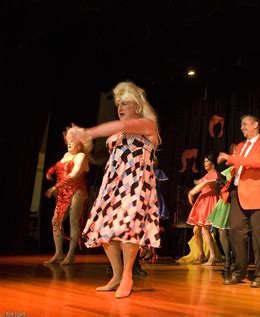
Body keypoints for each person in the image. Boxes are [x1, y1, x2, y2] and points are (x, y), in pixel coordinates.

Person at [67, 81, 162, 299]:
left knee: (130, 227)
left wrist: (87, 132)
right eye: (119, 103)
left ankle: (128, 275)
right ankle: (117, 275)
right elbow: (109, 150)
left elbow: (119, 127)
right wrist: (84, 144)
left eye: (126, 103)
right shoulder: (115, 136)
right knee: (105, 229)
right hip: (113, 184)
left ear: (137, 106)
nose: (120, 107)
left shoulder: (147, 124)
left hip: (136, 183)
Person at [218, 114, 260, 288]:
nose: (242, 128)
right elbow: (239, 166)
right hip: (238, 194)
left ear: (255, 124)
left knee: (258, 234)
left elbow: (258, 162)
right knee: (235, 231)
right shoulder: (241, 146)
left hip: (257, 194)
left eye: (245, 124)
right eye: (241, 125)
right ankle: (238, 272)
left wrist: (231, 157)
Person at [44, 132, 90, 266]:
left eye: (73, 141)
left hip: (77, 190)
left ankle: (70, 255)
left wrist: (54, 188)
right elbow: (57, 166)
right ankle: (58, 253)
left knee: (73, 221)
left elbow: (74, 175)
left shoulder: (81, 156)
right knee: (55, 221)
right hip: (63, 192)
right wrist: (50, 171)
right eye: (68, 140)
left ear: (80, 144)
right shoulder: (66, 155)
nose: (69, 143)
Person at [184, 154, 220, 266]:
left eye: (207, 161)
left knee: (205, 230)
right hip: (203, 201)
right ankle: (201, 255)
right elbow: (200, 182)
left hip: (209, 201)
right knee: (196, 230)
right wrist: (196, 182)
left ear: (212, 164)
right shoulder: (208, 175)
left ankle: (212, 256)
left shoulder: (214, 174)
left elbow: (202, 184)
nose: (204, 163)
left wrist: (192, 192)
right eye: (204, 161)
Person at [207, 145, 237, 274]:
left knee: (235, 233)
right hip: (225, 203)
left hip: (236, 203)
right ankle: (228, 260)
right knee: (222, 231)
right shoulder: (228, 170)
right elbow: (218, 185)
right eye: (234, 152)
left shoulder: (241, 170)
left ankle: (236, 259)